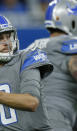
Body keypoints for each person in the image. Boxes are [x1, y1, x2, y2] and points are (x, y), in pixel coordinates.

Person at [27, 0, 77, 130]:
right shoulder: (70, 42)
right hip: (55, 117)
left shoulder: (31, 48)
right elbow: (75, 66)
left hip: (25, 119)